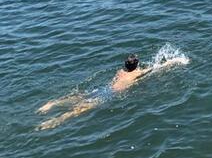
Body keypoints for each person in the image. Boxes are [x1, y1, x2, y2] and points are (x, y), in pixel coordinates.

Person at [36, 53, 184, 130]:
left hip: (103, 88)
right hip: (110, 94)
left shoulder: (121, 71)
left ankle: (51, 104)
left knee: (80, 97)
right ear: (137, 65)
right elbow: (158, 68)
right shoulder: (137, 74)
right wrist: (174, 61)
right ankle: (55, 121)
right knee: (82, 108)